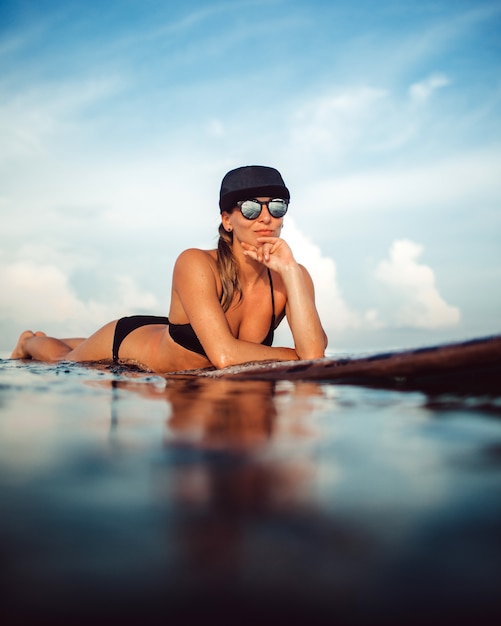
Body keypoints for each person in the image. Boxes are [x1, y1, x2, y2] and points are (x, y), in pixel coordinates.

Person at [11, 165, 327, 373]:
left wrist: (290, 271)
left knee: (75, 347)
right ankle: (29, 340)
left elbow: (314, 352)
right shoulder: (196, 263)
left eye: (276, 206)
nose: (265, 217)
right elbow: (225, 358)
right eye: (249, 207)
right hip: (128, 342)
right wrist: (296, 355)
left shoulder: (291, 278)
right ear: (227, 220)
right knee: (62, 360)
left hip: (171, 330)